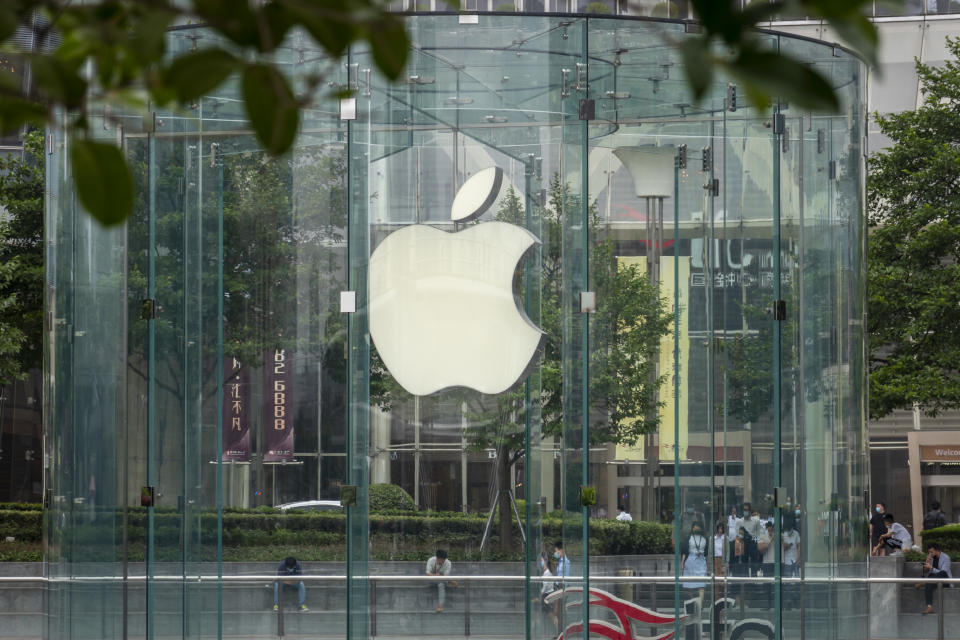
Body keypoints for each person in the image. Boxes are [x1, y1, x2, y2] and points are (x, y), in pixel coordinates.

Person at [919, 543, 952, 614]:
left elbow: (943, 573)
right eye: (929, 552)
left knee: (941, 573)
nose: (930, 553)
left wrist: (932, 568)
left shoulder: (946, 558)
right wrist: (927, 563)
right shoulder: (931, 557)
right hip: (933, 580)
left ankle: (925, 582)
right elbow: (926, 572)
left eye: (931, 552)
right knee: (929, 583)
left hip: (945, 580)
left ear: (937, 550)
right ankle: (929, 607)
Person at [681, 523, 708, 601]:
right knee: (689, 584)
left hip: (701, 561)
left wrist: (707, 565)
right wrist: (682, 563)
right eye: (695, 528)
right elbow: (685, 552)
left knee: (702, 584)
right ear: (692, 529)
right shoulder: (688, 538)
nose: (696, 530)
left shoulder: (704, 538)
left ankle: (700, 603)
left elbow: (706, 554)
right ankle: (693, 601)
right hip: (690, 561)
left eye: (698, 528)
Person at [782, 516, 801, 608]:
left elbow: (799, 546)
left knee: (797, 580)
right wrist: (788, 545)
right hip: (787, 560)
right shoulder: (784, 534)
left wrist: (798, 557)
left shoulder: (796, 534)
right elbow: (783, 547)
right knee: (788, 581)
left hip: (795, 559)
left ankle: (796, 597)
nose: (789, 531)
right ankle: (788, 600)